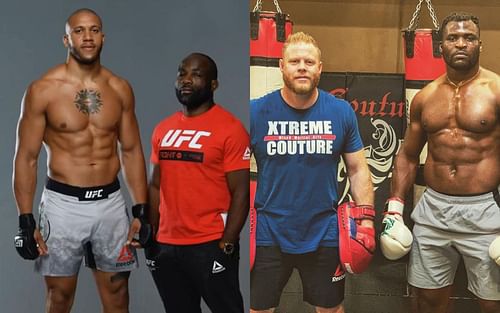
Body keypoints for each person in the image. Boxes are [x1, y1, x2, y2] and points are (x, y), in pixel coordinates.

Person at [12, 8, 151, 313]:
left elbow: (130, 151)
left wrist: (141, 209)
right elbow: (27, 157)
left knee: (117, 295)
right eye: (79, 30)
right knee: (59, 298)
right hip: (63, 205)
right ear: (66, 39)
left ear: (103, 37)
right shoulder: (43, 90)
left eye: (94, 30)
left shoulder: (120, 89)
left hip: (110, 203)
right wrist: (25, 220)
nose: (87, 37)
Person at [381, 12, 500, 313]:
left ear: (479, 44)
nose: (461, 43)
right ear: (440, 45)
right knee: (428, 301)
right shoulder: (425, 97)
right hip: (434, 211)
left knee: (493, 301)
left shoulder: (496, 91)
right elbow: (408, 155)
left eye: (469, 37)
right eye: (453, 38)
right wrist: (395, 208)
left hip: (484, 211)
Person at [250, 32, 375, 313]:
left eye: (309, 61)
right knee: (258, 310)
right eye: (295, 61)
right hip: (269, 233)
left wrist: (366, 218)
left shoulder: (340, 112)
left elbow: (357, 169)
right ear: (281, 66)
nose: (302, 67)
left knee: (331, 309)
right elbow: (230, 167)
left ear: (320, 68)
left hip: (324, 232)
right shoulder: (256, 112)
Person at [146, 52, 250, 313]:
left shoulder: (231, 129)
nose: (187, 80)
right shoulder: (163, 130)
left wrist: (228, 242)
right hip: (167, 245)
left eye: (196, 74)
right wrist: (151, 235)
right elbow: (155, 186)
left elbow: (241, 192)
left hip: (210, 243)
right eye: (182, 73)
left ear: (213, 84)